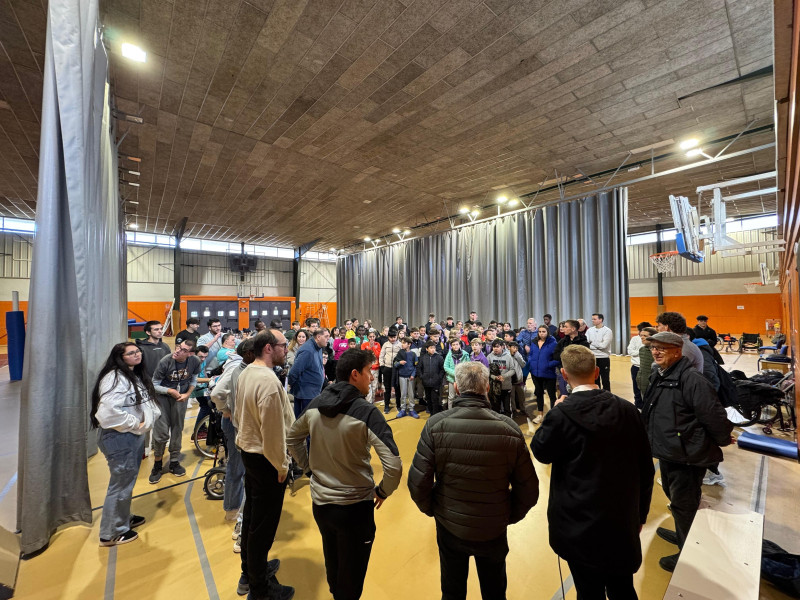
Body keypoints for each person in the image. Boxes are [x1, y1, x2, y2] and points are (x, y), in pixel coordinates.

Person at [531, 345, 654, 600]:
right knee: (623, 588)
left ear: (564, 375)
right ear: (596, 372)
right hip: (620, 519)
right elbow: (646, 467)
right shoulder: (627, 409)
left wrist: (554, 411)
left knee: (587, 591)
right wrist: (640, 514)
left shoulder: (561, 414)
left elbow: (541, 452)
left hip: (578, 524)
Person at [408, 361, 539, 600]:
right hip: (493, 527)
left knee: (452, 591)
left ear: (457, 388)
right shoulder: (509, 429)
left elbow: (418, 483)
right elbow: (529, 490)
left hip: (450, 526)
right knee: (495, 591)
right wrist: (506, 515)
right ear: (487, 387)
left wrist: (436, 511)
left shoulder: (435, 425)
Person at [287, 349, 403, 600]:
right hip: (355, 508)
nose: (371, 377)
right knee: (352, 575)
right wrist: (383, 491)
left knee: (334, 562)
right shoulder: (367, 412)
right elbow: (394, 465)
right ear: (354, 374)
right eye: (368, 371)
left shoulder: (315, 404)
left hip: (322, 505)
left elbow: (292, 438)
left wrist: (309, 469)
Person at [641, 331, 733, 572]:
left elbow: (713, 413)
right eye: (653, 348)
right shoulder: (659, 374)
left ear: (677, 351)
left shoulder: (692, 379)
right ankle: (684, 533)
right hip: (669, 449)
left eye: (662, 348)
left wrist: (723, 438)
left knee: (684, 503)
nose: (656, 352)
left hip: (687, 454)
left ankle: (688, 552)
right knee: (673, 494)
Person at [234, 329, 295, 600]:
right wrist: (281, 465)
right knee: (263, 527)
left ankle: (251, 571)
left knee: (252, 517)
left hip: (250, 453)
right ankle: (261, 590)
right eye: (283, 345)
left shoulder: (247, 372)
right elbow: (273, 432)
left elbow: (240, 415)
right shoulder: (268, 382)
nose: (286, 349)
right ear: (269, 348)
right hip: (267, 460)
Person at [91, 342, 161, 546]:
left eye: (138, 351)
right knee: (120, 484)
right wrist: (135, 424)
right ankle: (111, 533)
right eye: (131, 353)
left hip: (130, 437)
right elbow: (106, 413)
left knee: (126, 482)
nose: (137, 355)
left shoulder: (132, 375)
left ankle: (122, 518)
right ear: (120, 358)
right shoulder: (115, 378)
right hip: (120, 438)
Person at [211, 338, 255, 548]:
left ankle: (233, 509)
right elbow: (217, 393)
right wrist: (225, 410)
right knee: (237, 468)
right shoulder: (237, 368)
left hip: (236, 421)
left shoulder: (241, 366)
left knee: (237, 467)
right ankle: (233, 511)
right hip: (233, 423)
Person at [149, 339, 201, 484]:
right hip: (163, 398)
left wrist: (187, 394)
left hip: (180, 398)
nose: (178, 351)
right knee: (161, 433)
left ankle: (174, 461)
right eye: (178, 347)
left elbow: (194, 380)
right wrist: (170, 390)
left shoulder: (194, 361)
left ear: (190, 354)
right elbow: (154, 384)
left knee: (177, 429)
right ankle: (157, 464)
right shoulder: (166, 361)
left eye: (183, 350)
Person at [288, 328, 329, 419]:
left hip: (313, 393)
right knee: (304, 423)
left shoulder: (318, 347)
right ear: (318, 337)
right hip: (305, 395)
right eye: (326, 336)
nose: (328, 339)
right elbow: (294, 372)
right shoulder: (307, 351)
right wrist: (291, 384)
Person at [527, 325, 558, 425]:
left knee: (552, 395)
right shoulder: (534, 342)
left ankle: (553, 417)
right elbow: (530, 354)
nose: (541, 333)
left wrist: (548, 365)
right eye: (539, 331)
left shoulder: (553, 343)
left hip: (549, 373)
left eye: (543, 331)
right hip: (535, 373)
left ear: (547, 332)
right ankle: (540, 415)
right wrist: (531, 363)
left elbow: (557, 358)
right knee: (539, 394)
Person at [487, 340, 521, 417]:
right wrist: (495, 377)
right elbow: (487, 371)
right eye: (494, 347)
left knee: (507, 407)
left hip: (506, 386)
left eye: (497, 347)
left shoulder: (508, 356)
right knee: (496, 407)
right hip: (494, 387)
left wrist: (504, 376)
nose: (495, 349)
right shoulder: (489, 357)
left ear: (502, 347)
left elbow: (513, 370)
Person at [627, 322, 652, 408]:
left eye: (644, 334)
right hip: (636, 367)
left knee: (647, 389)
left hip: (647, 368)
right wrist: (642, 352)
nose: (642, 336)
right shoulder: (635, 339)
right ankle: (638, 406)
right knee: (636, 389)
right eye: (640, 332)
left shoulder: (651, 341)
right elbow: (630, 351)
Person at [586, 313, 613, 390]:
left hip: (603, 358)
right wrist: (596, 344)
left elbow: (604, 346)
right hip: (593, 358)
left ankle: (607, 395)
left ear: (600, 320)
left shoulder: (607, 331)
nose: (592, 320)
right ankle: (597, 394)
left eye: (594, 319)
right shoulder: (590, 330)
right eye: (592, 319)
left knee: (605, 379)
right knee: (595, 379)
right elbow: (587, 343)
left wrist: (592, 343)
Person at [393, 337, 419, 419]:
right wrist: (399, 363)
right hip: (402, 376)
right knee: (403, 394)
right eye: (402, 343)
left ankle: (411, 409)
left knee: (411, 394)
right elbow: (395, 364)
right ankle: (403, 409)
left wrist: (413, 375)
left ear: (409, 344)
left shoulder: (413, 354)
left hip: (410, 377)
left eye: (404, 343)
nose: (402, 344)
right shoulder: (400, 353)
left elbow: (416, 366)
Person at [418, 341, 445, 416]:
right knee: (428, 399)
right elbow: (419, 368)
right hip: (426, 382)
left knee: (435, 399)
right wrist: (422, 376)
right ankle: (431, 413)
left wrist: (439, 378)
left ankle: (435, 414)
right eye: (431, 348)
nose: (433, 349)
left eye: (434, 348)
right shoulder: (423, 358)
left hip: (435, 382)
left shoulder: (439, 357)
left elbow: (442, 369)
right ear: (427, 349)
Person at [379, 329, 402, 414]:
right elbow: (381, 356)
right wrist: (382, 366)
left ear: (397, 336)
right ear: (388, 337)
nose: (393, 339)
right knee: (387, 388)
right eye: (391, 337)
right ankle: (386, 405)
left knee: (397, 388)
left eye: (394, 337)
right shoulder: (385, 344)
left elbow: (402, 355)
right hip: (387, 368)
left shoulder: (400, 344)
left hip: (397, 369)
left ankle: (398, 405)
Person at [443, 338, 470, 410]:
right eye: (453, 345)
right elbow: (446, 366)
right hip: (452, 379)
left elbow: (468, 366)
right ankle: (450, 411)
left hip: (462, 379)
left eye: (457, 344)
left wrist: (461, 374)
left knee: (461, 397)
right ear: (451, 346)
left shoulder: (465, 354)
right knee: (451, 397)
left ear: (460, 345)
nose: (455, 346)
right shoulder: (449, 354)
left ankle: (460, 411)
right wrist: (455, 374)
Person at [635, 327, 658, 406]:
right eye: (641, 335)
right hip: (642, 384)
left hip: (653, 385)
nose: (642, 337)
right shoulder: (642, 350)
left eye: (645, 336)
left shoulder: (657, 351)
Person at [360, 330, 382, 404]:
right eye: (370, 337)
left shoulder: (377, 344)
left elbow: (378, 355)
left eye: (373, 336)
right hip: (367, 369)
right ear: (367, 337)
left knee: (374, 387)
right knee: (368, 387)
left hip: (375, 368)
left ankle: (372, 403)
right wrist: (370, 347)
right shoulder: (364, 345)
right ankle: (368, 403)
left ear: (375, 337)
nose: (372, 338)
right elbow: (364, 355)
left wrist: (373, 348)